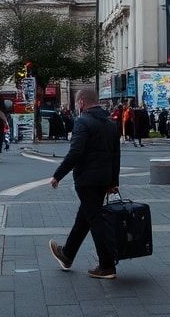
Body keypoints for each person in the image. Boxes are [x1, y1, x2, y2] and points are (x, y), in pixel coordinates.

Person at [47, 88, 121, 280]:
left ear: (81, 103)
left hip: (87, 180)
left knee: (94, 220)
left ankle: (107, 265)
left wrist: (58, 175)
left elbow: (75, 153)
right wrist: (114, 181)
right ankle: (67, 254)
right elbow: (116, 156)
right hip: (103, 179)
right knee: (85, 217)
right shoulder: (111, 123)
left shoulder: (83, 122)